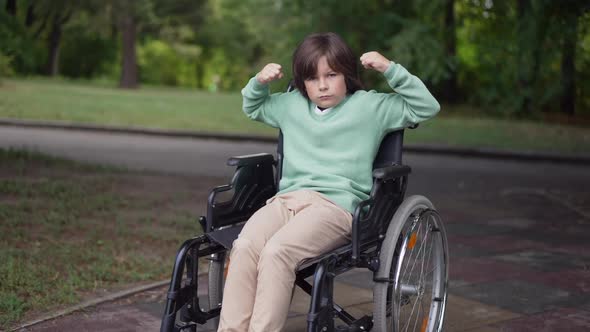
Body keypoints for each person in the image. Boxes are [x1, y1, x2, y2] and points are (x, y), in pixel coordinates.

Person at [217, 32, 440, 332]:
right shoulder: (290, 105)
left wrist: (390, 69)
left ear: (346, 74)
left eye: (331, 75)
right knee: (244, 247)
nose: (322, 85)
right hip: (287, 201)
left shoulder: (371, 107)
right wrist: (258, 82)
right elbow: (253, 107)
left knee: (276, 252)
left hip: (335, 207)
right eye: (312, 78)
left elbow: (427, 106)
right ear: (301, 82)